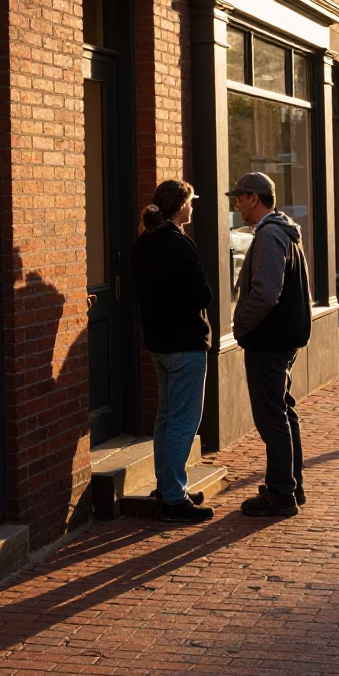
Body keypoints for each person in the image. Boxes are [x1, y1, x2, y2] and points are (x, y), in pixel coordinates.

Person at [228, 171, 312, 518]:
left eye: (240, 197)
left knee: (272, 417)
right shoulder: (281, 232)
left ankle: (280, 494)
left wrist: (240, 325)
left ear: (254, 199)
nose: (236, 205)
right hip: (279, 338)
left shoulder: (270, 236)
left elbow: (265, 293)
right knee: (282, 412)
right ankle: (290, 484)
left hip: (268, 340)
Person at [130, 179, 214, 525]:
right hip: (185, 344)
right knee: (182, 420)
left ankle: (168, 487)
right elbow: (202, 295)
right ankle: (174, 499)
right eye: (191, 201)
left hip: (159, 343)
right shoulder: (179, 244)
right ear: (180, 206)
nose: (193, 207)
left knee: (166, 417)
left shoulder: (143, 244)